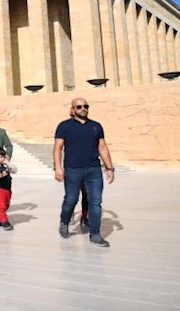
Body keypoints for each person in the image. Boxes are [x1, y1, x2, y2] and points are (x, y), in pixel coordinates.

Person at [53, 98, 115, 247]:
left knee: (96, 202)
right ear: (72, 110)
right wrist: (58, 168)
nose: (83, 109)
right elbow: (57, 148)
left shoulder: (96, 126)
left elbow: (102, 147)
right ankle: (65, 221)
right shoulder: (64, 126)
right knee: (71, 200)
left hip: (93, 170)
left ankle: (95, 234)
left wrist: (109, 168)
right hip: (73, 169)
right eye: (79, 106)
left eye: (85, 106)